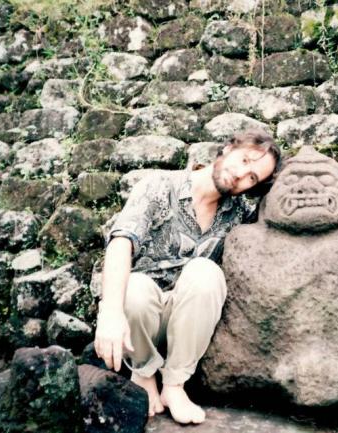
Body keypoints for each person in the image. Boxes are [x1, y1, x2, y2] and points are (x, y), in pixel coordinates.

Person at [93, 129, 281, 424]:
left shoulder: (238, 215)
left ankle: (174, 386)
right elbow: (121, 244)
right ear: (228, 148)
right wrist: (110, 313)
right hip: (139, 320)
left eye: (253, 178)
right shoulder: (160, 186)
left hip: (188, 324)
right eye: (244, 160)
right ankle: (143, 374)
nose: (242, 174)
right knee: (136, 288)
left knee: (205, 272)